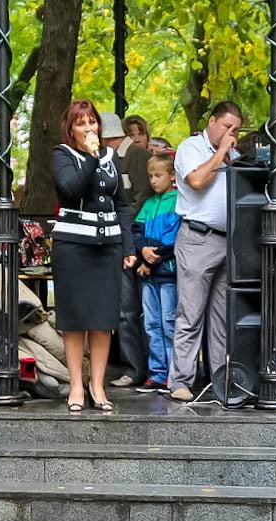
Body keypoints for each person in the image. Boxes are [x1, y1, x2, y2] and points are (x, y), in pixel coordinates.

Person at [52, 100, 136, 412]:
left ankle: (97, 385)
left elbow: (122, 205)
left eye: (92, 123)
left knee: (103, 321)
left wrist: (128, 247)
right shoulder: (62, 155)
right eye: (81, 124)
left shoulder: (111, 157)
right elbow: (71, 190)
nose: (89, 129)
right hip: (73, 248)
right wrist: (89, 157)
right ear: (71, 130)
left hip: (108, 248)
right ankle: (76, 386)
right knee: (75, 321)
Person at [167, 101, 243, 402]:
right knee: (191, 314)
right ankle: (180, 381)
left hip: (228, 241)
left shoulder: (233, 156)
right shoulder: (191, 148)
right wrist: (223, 152)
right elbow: (197, 181)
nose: (231, 133)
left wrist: (228, 154)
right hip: (198, 238)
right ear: (212, 121)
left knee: (222, 317)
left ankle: (221, 380)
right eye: (226, 126)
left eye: (235, 129)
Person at [101, 112, 150, 389]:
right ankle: (127, 365)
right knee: (122, 308)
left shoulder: (137, 157)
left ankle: (135, 367)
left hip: (131, 239)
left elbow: (141, 199)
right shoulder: (106, 159)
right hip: (115, 237)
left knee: (130, 309)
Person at [133, 154, 181, 393]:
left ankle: (174, 374)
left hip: (167, 274)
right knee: (151, 324)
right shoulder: (149, 204)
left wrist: (151, 260)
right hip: (149, 275)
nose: (153, 180)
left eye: (158, 175)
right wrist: (143, 252)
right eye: (150, 176)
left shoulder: (177, 201)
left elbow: (173, 238)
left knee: (169, 323)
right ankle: (157, 373)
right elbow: (137, 230)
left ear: (172, 175)